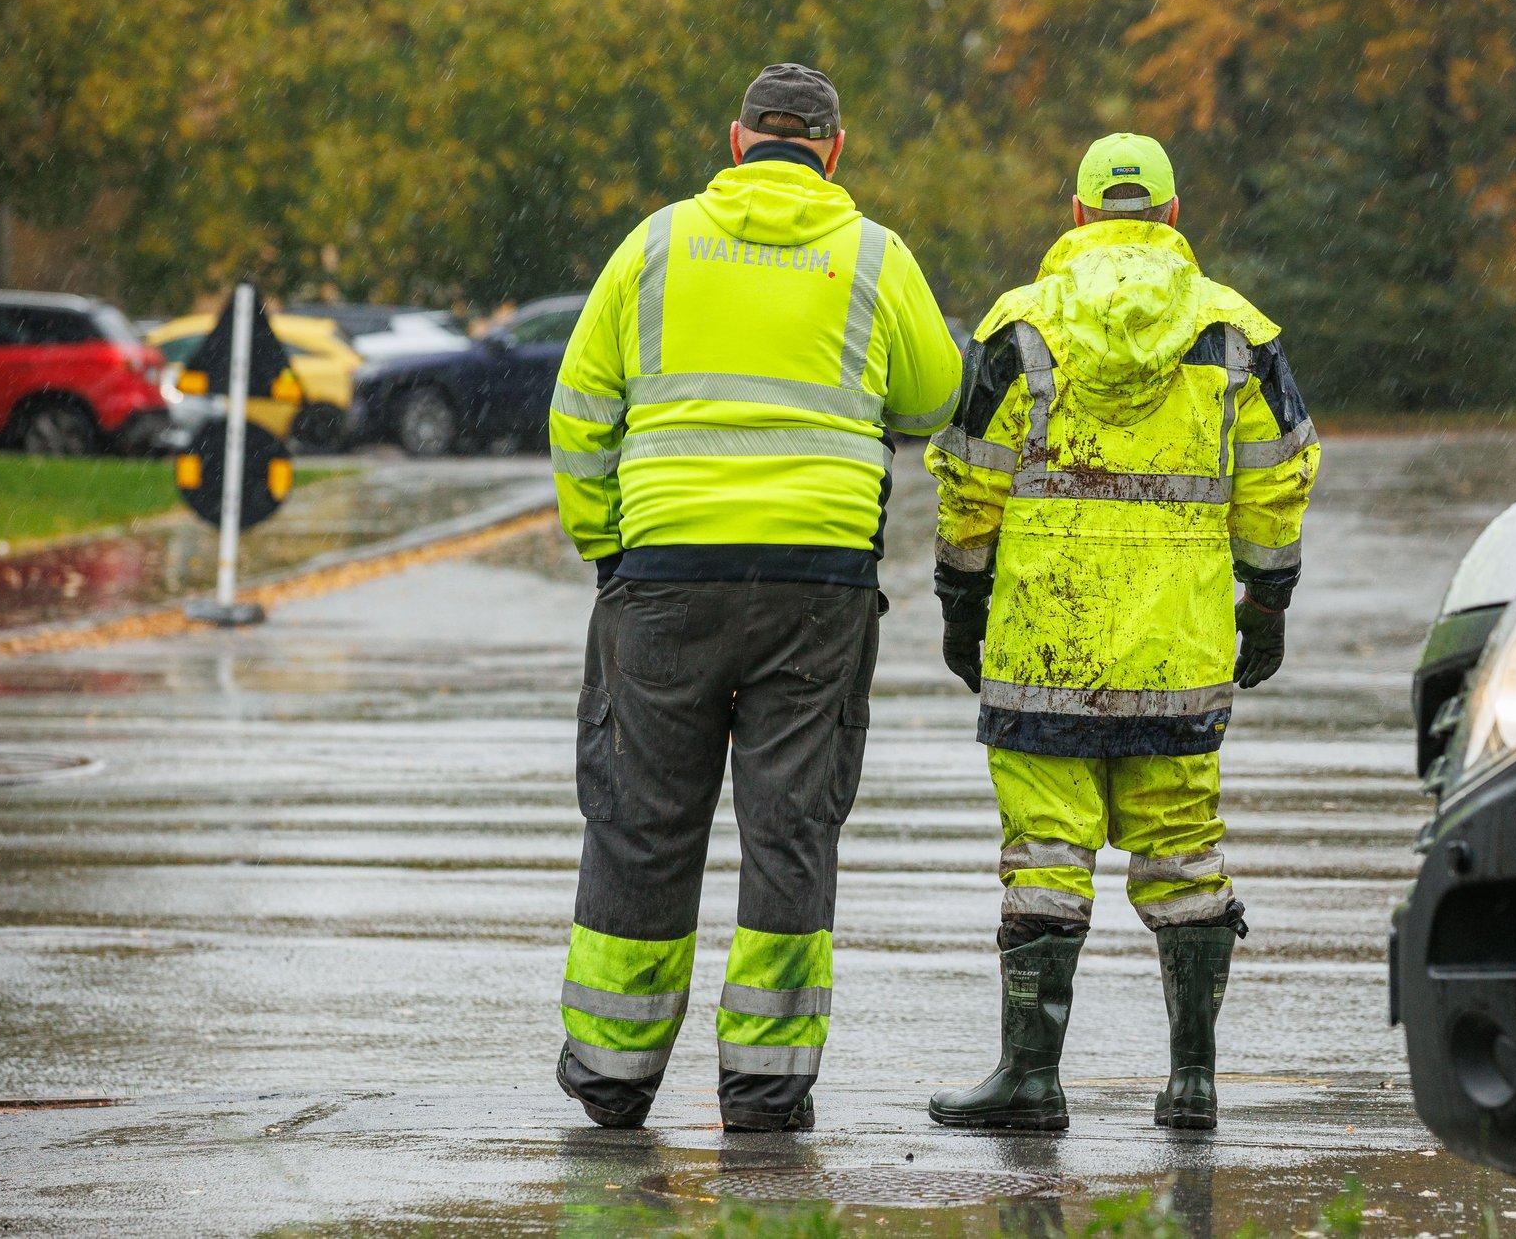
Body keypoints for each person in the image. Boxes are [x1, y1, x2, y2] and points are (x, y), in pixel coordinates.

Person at [548, 63, 963, 1132]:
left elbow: (580, 409)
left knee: (641, 822)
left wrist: (608, 543)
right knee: (788, 830)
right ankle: (766, 1086)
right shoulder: (872, 254)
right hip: (814, 581)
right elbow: (933, 394)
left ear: (738, 141)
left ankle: (611, 1074)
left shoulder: (653, 246)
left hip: (664, 579)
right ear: (831, 151)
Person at [924, 132, 1319, 1132]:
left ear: (1076, 215)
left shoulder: (1020, 325)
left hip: (1042, 639)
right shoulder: (1235, 331)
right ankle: (1191, 1082)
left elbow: (968, 475)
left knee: (1045, 856)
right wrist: (1266, 599)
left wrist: (957, 598)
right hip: (1176, 649)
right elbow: (1279, 474)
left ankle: (1030, 1078)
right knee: (1185, 855)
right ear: (1172, 219)